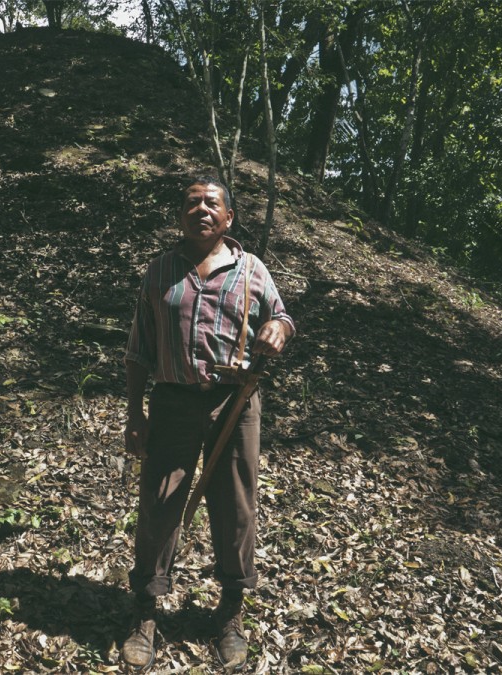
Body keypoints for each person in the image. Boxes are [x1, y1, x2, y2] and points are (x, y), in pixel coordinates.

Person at [121, 176, 294, 671]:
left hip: (235, 404)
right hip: (173, 401)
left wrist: (276, 329)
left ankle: (230, 611)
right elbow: (138, 351)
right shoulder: (159, 273)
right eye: (192, 202)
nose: (201, 209)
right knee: (159, 503)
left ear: (228, 217)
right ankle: (147, 610)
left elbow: (282, 318)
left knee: (236, 507)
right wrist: (135, 415)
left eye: (211, 203)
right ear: (181, 215)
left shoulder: (252, 271)